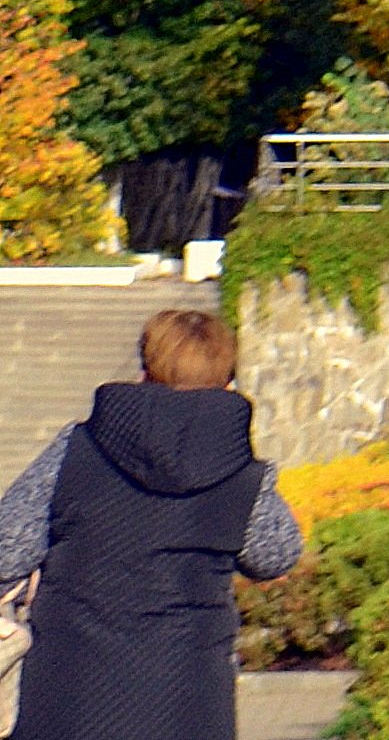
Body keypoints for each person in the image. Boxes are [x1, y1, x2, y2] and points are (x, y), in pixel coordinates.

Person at [0, 305, 305, 740]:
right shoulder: (238, 470)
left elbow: (7, 548)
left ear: (145, 370)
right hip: (187, 697)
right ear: (227, 382)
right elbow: (276, 554)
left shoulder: (78, 449)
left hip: (68, 692)